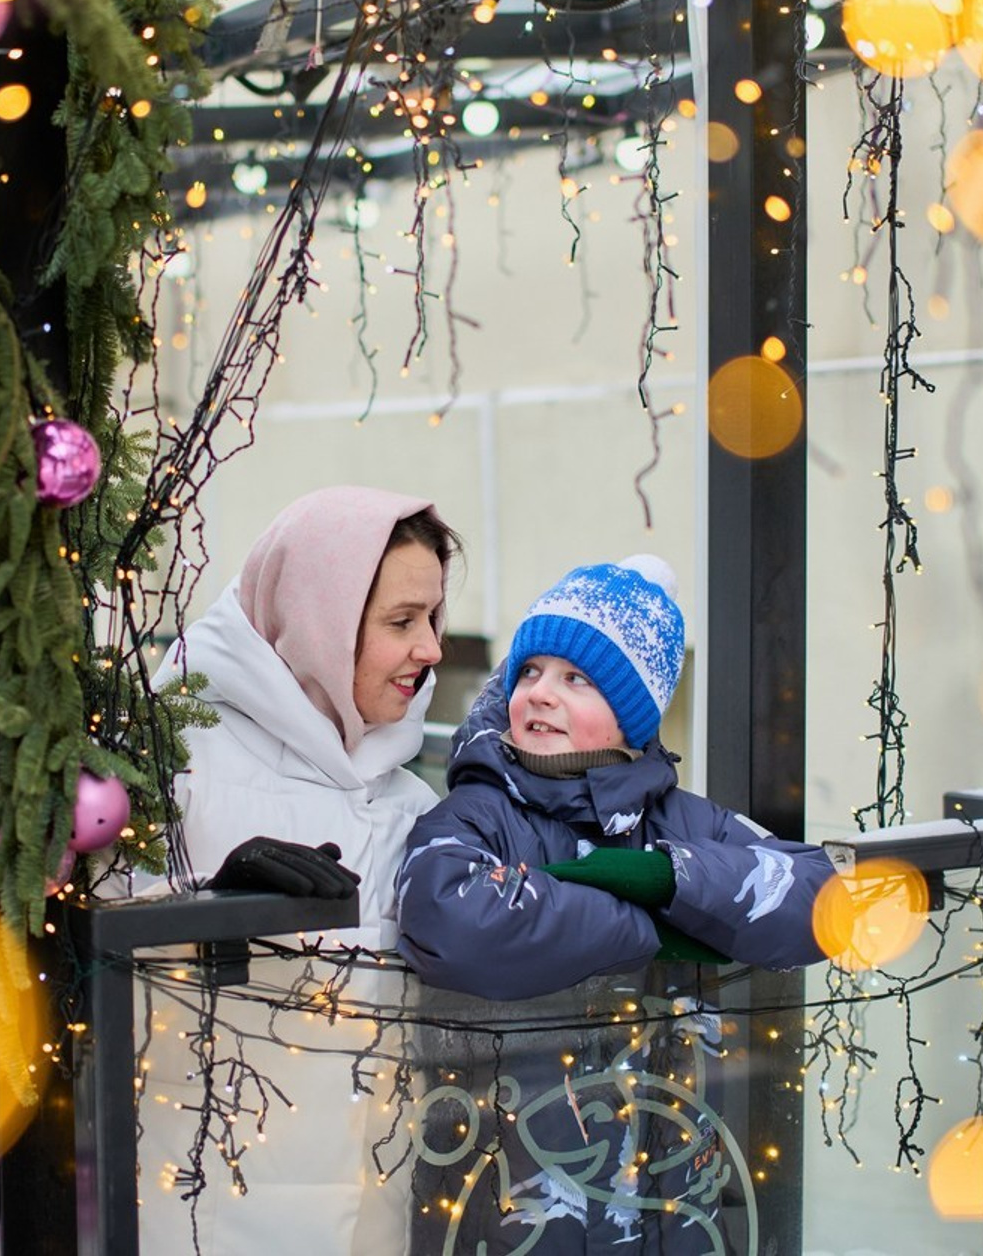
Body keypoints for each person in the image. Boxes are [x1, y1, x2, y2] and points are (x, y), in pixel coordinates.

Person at [136, 484, 462, 1255]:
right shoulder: (173, 755)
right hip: (200, 1208)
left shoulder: (415, 800)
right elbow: (69, 946)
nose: (432, 650)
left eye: (435, 618)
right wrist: (202, 898)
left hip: (367, 1214)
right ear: (321, 624)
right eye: (401, 622)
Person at [395, 553, 836, 999]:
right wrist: (656, 930)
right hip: (508, 1068)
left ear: (632, 717)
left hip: (658, 1070)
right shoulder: (476, 813)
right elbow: (452, 926)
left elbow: (824, 895)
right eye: (528, 672)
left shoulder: (675, 819)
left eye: (576, 679)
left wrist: (667, 879)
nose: (540, 693)